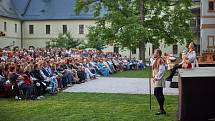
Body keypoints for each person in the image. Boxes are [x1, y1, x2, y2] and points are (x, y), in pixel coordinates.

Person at [151, 49, 166, 115]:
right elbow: (152, 63)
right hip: (157, 78)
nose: (154, 54)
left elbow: (162, 70)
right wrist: (151, 58)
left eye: (155, 53)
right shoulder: (157, 60)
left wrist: (156, 77)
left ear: (158, 54)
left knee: (157, 93)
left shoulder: (160, 60)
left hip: (158, 79)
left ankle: (162, 109)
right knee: (159, 93)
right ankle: (161, 109)